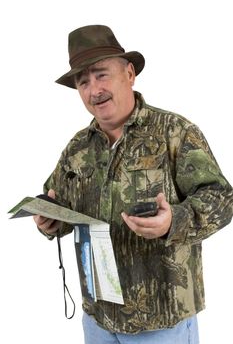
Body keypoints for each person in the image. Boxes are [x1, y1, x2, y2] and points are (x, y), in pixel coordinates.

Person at [33, 25, 233, 344]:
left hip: (161, 320)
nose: (93, 89)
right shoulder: (78, 148)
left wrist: (174, 221)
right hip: (98, 316)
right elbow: (59, 207)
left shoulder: (174, 132)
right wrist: (49, 220)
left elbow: (221, 198)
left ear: (129, 73)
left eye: (101, 75)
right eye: (83, 82)